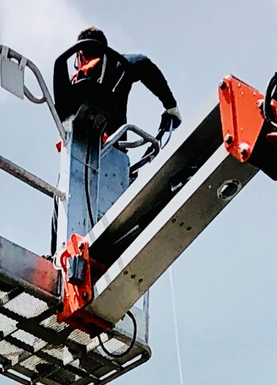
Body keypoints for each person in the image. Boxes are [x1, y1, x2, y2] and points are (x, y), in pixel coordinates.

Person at [51, 28, 181, 236]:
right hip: (114, 157)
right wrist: (170, 106)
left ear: (80, 54)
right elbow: (143, 63)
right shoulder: (118, 64)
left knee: (61, 201)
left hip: (76, 159)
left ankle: (54, 256)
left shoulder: (72, 83)